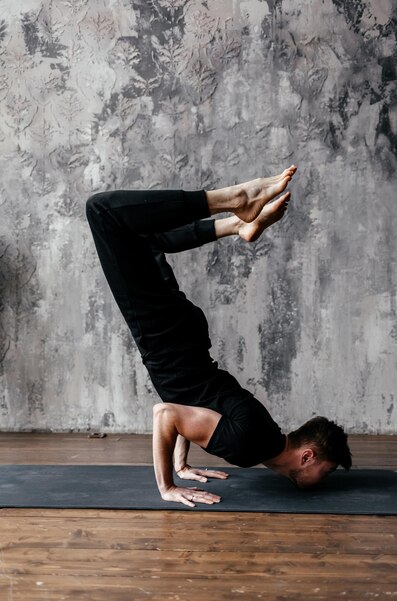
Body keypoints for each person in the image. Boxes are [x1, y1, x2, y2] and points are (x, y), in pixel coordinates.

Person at [86, 165, 351, 507]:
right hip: (166, 337)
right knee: (103, 212)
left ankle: (237, 225)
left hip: (182, 336)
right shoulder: (249, 446)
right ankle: (235, 202)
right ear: (308, 457)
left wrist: (181, 465)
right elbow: (165, 414)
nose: (322, 481)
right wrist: (167, 486)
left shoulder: (264, 433)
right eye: (326, 472)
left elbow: (190, 409)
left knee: (143, 237)